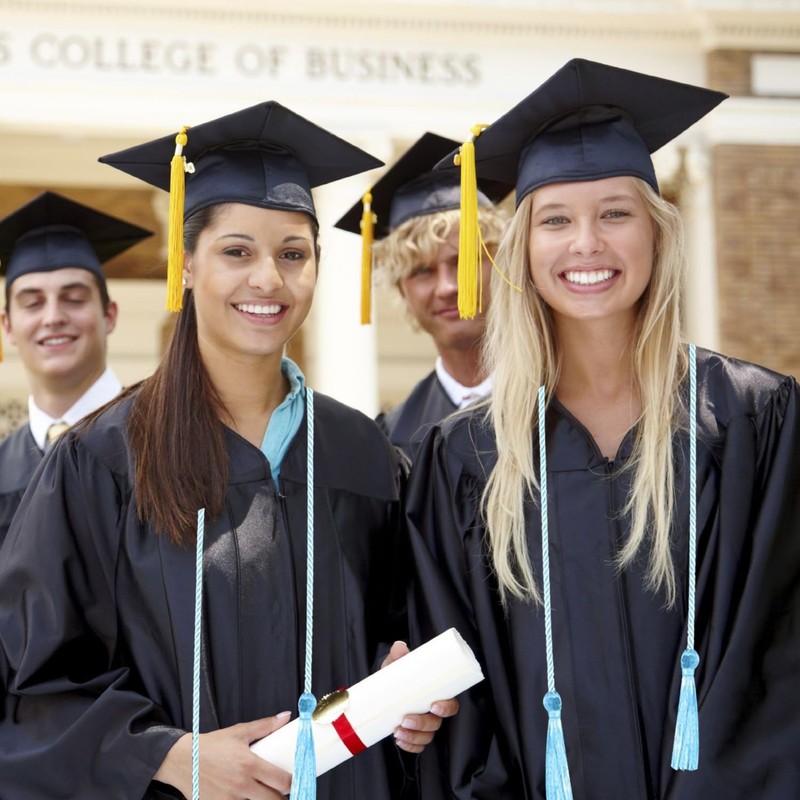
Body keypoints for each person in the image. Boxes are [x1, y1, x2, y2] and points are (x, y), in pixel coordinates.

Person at [0, 102, 455, 800]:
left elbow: (404, 639)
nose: (267, 279)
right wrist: (165, 754)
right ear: (187, 266)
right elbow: (37, 685)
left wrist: (412, 695)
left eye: (293, 254)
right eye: (236, 251)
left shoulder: (364, 452)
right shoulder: (103, 459)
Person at [405, 59, 800, 800]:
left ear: (657, 232)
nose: (586, 242)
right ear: (523, 247)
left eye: (615, 213)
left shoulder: (753, 419)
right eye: (556, 219)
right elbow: (462, 707)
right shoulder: (468, 456)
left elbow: (781, 655)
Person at [335, 132, 507, 460]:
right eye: (421, 271)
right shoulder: (391, 440)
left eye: (465, 262)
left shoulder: (566, 406)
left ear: (502, 263)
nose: (446, 287)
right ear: (402, 289)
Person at [0, 191, 150, 546]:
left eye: (74, 298)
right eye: (33, 302)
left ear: (109, 315)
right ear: (7, 326)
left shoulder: (161, 444)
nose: (53, 317)